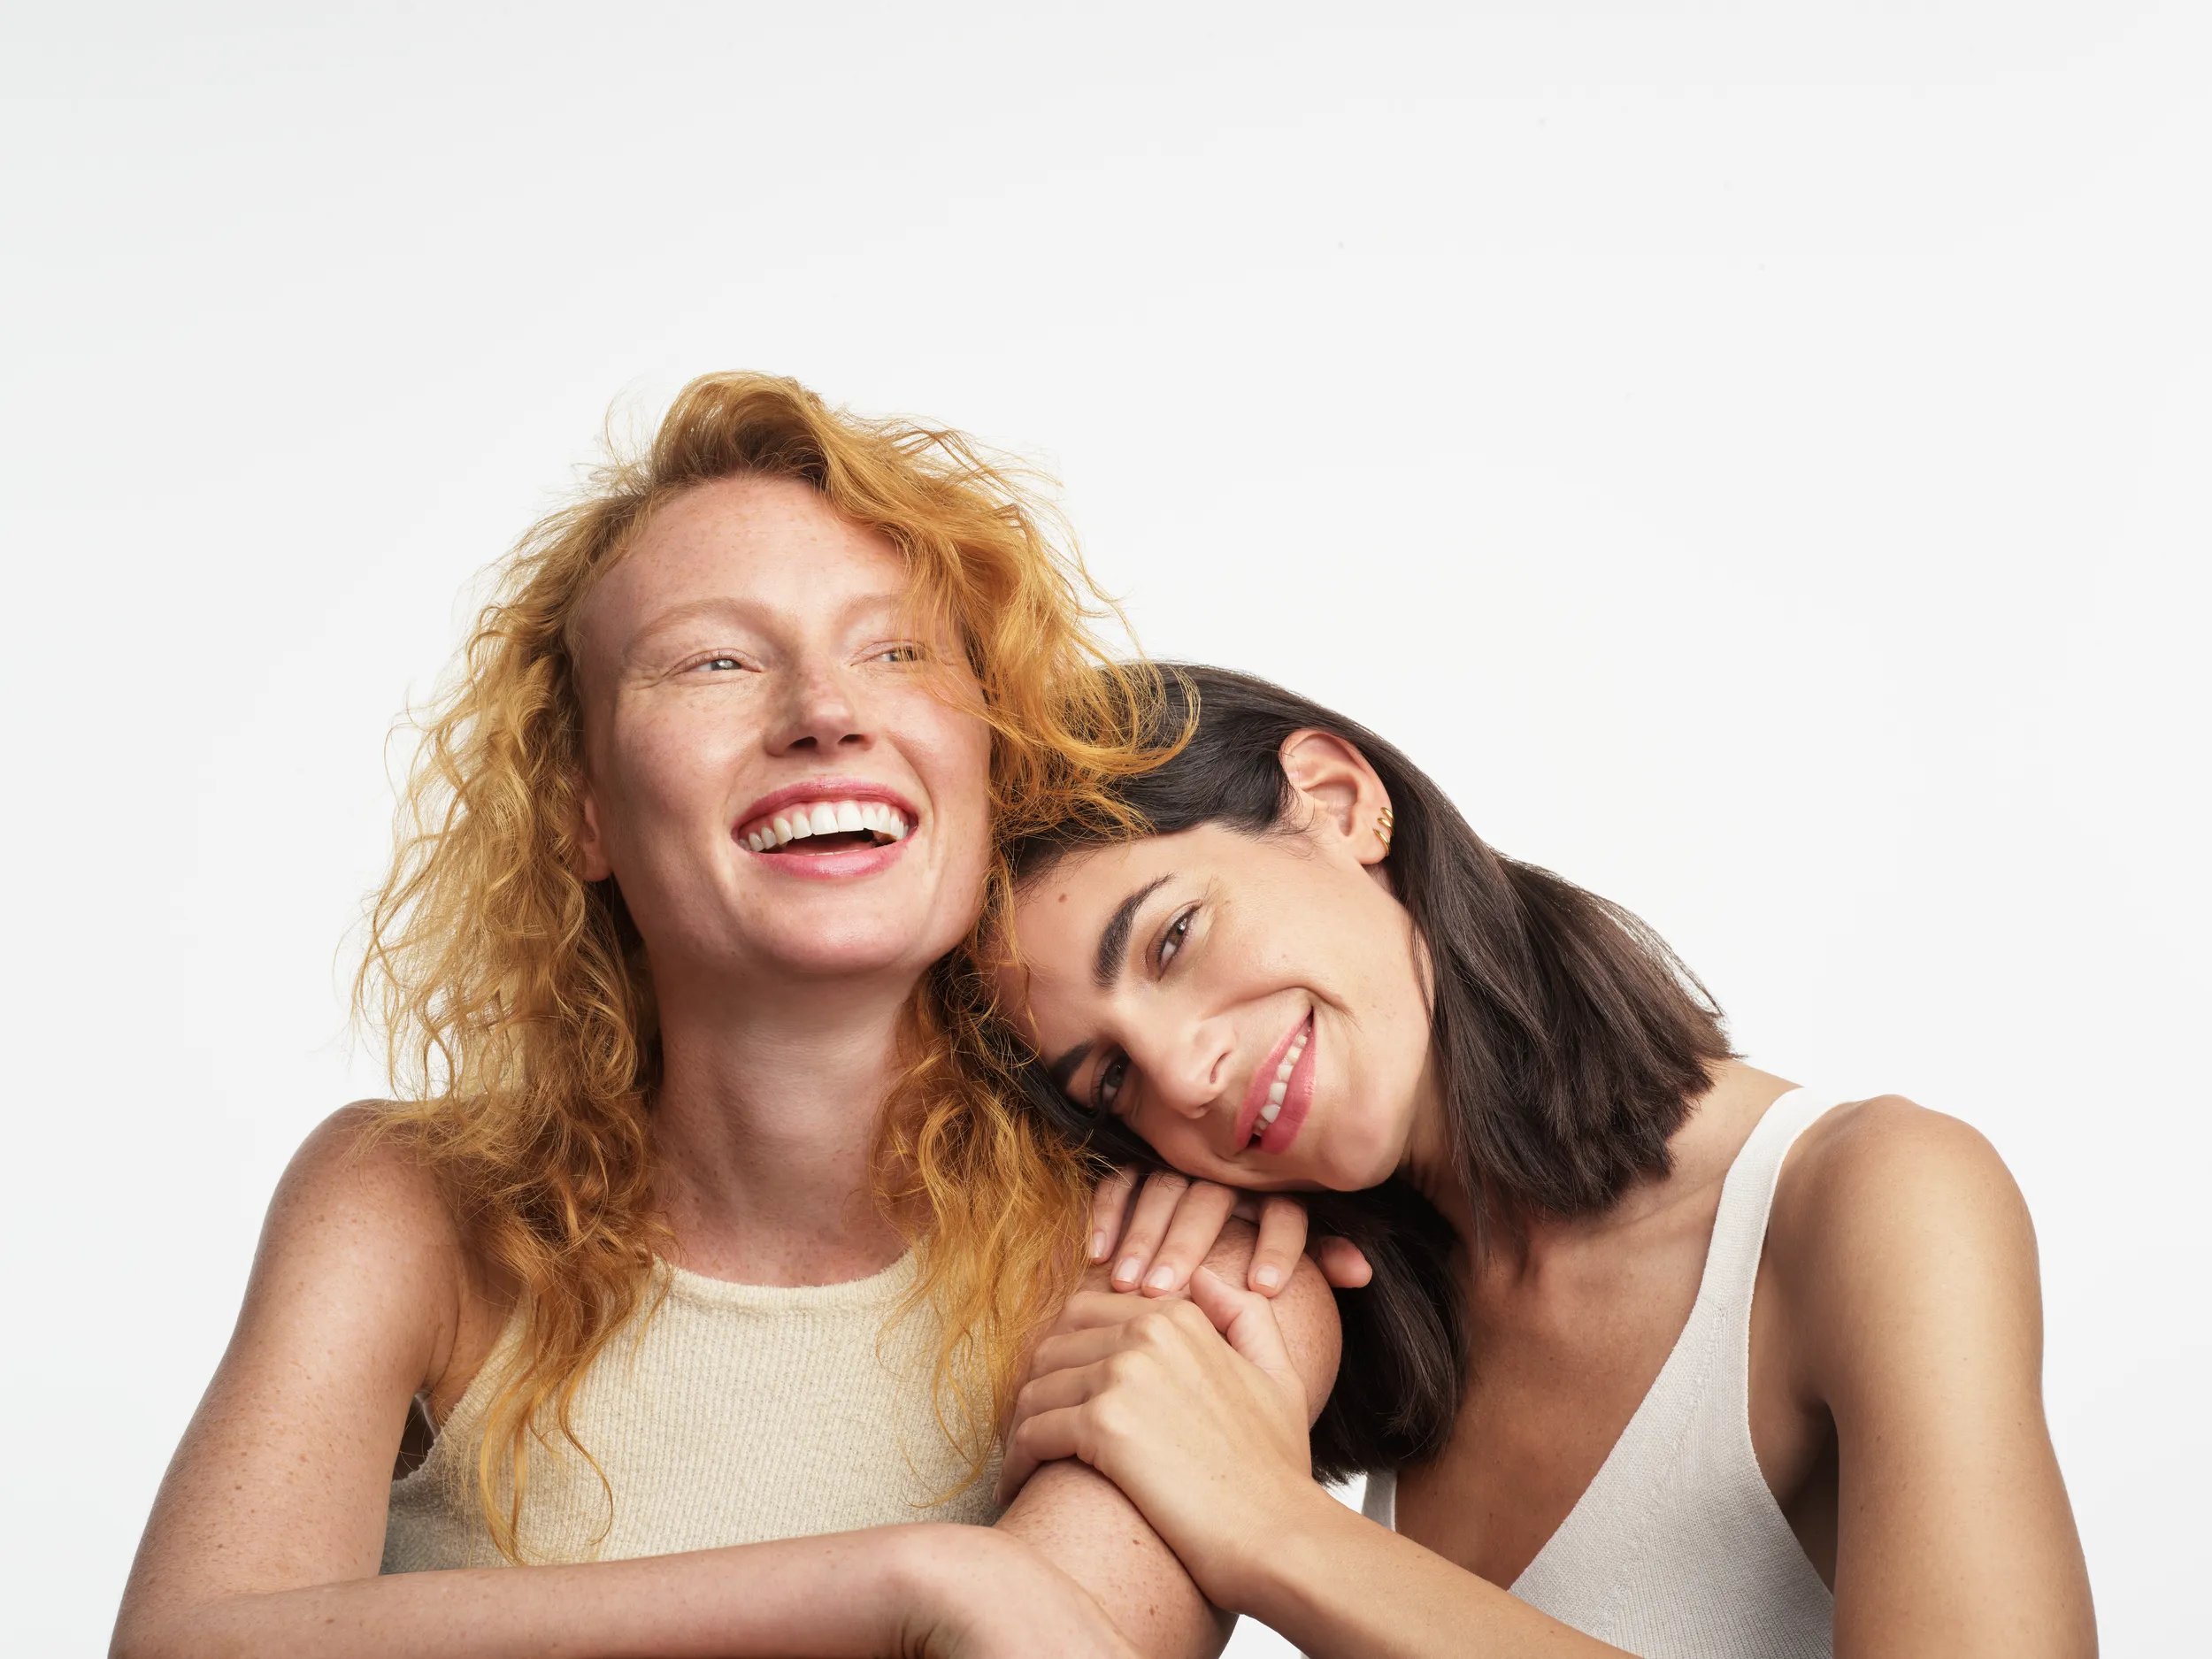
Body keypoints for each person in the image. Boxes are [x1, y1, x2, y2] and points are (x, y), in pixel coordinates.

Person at [110, 383, 1342, 1659]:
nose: (824, 709)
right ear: (581, 806)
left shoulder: (1193, 1278)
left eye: (897, 649)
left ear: (993, 758)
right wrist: (903, 1583)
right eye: (716, 660)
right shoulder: (406, 1202)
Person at [984, 664, 2097, 1657]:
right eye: (1112, 1080)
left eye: (1172, 939)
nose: (1182, 1073)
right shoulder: (1363, 1328)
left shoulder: (1873, 1197)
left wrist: (1275, 1531)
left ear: (1336, 801)